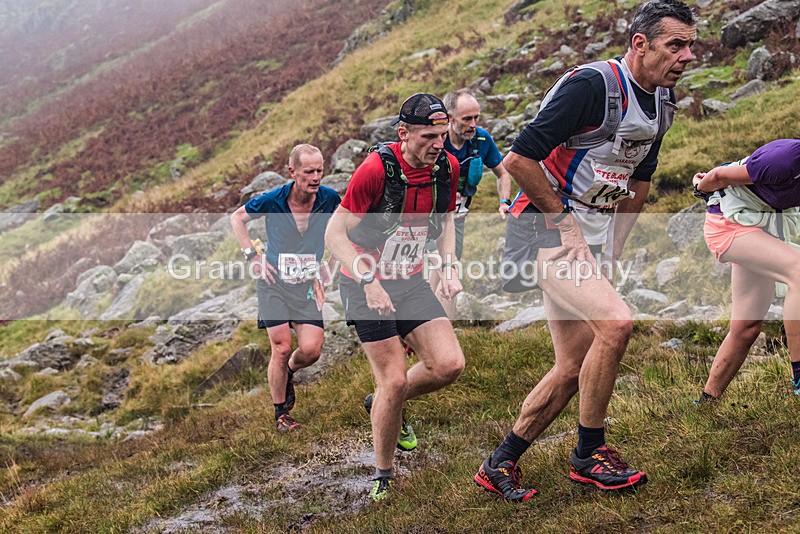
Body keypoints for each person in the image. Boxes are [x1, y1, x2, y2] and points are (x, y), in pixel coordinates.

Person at [474, 0, 697, 502]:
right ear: (640, 44)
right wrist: (569, 229)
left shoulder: (662, 100)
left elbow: (639, 181)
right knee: (617, 325)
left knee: (573, 367)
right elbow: (519, 160)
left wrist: (611, 249)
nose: (687, 56)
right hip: (544, 227)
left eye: (691, 46)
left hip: (592, 230)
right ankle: (588, 455)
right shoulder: (592, 86)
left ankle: (500, 462)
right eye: (675, 45)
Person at [325, 93, 465, 501]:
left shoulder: (447, 167)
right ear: (403, 133)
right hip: (365, 283)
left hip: (411, 279)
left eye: (443, 135)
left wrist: (448, 266)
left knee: (449, 364)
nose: (438, 144)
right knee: (395, 377)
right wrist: (368, 278)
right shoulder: (376, 170)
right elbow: (334, 235)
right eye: (428, 136)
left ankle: (383, 402)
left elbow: (446, 220)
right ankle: (383, 473)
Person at [230, 144, 341, 432]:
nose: (316, 177)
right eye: (309, 172)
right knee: (281, 347)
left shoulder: (329, 199)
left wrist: (332, 265)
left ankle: (289, 371)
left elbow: (345, 229)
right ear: (293, 172)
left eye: (320, 170)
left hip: (306, 285)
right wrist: (253, 256)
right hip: (274, 284)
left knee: (311, 350)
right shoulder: (274, 199)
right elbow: (237, 218)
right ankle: (281, 414)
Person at [693, 139, 800, 402]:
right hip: (729, 221)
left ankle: (707, 401)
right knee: (798, 270)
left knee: (747, 327)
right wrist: (700, 186)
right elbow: (719, 176)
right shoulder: (785, 159)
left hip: (764, 225)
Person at [427, 88, 513, 316]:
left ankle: (431, 324)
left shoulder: (482, 139)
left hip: (458, 219)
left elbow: (503, 173)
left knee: (446, 268)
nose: (473, 124)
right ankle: (432, 326)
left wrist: (504, 201)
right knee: (443, 267)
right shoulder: (434, 141)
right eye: (467, 119)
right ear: (450, 118)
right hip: (427, 219)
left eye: (476, 117)